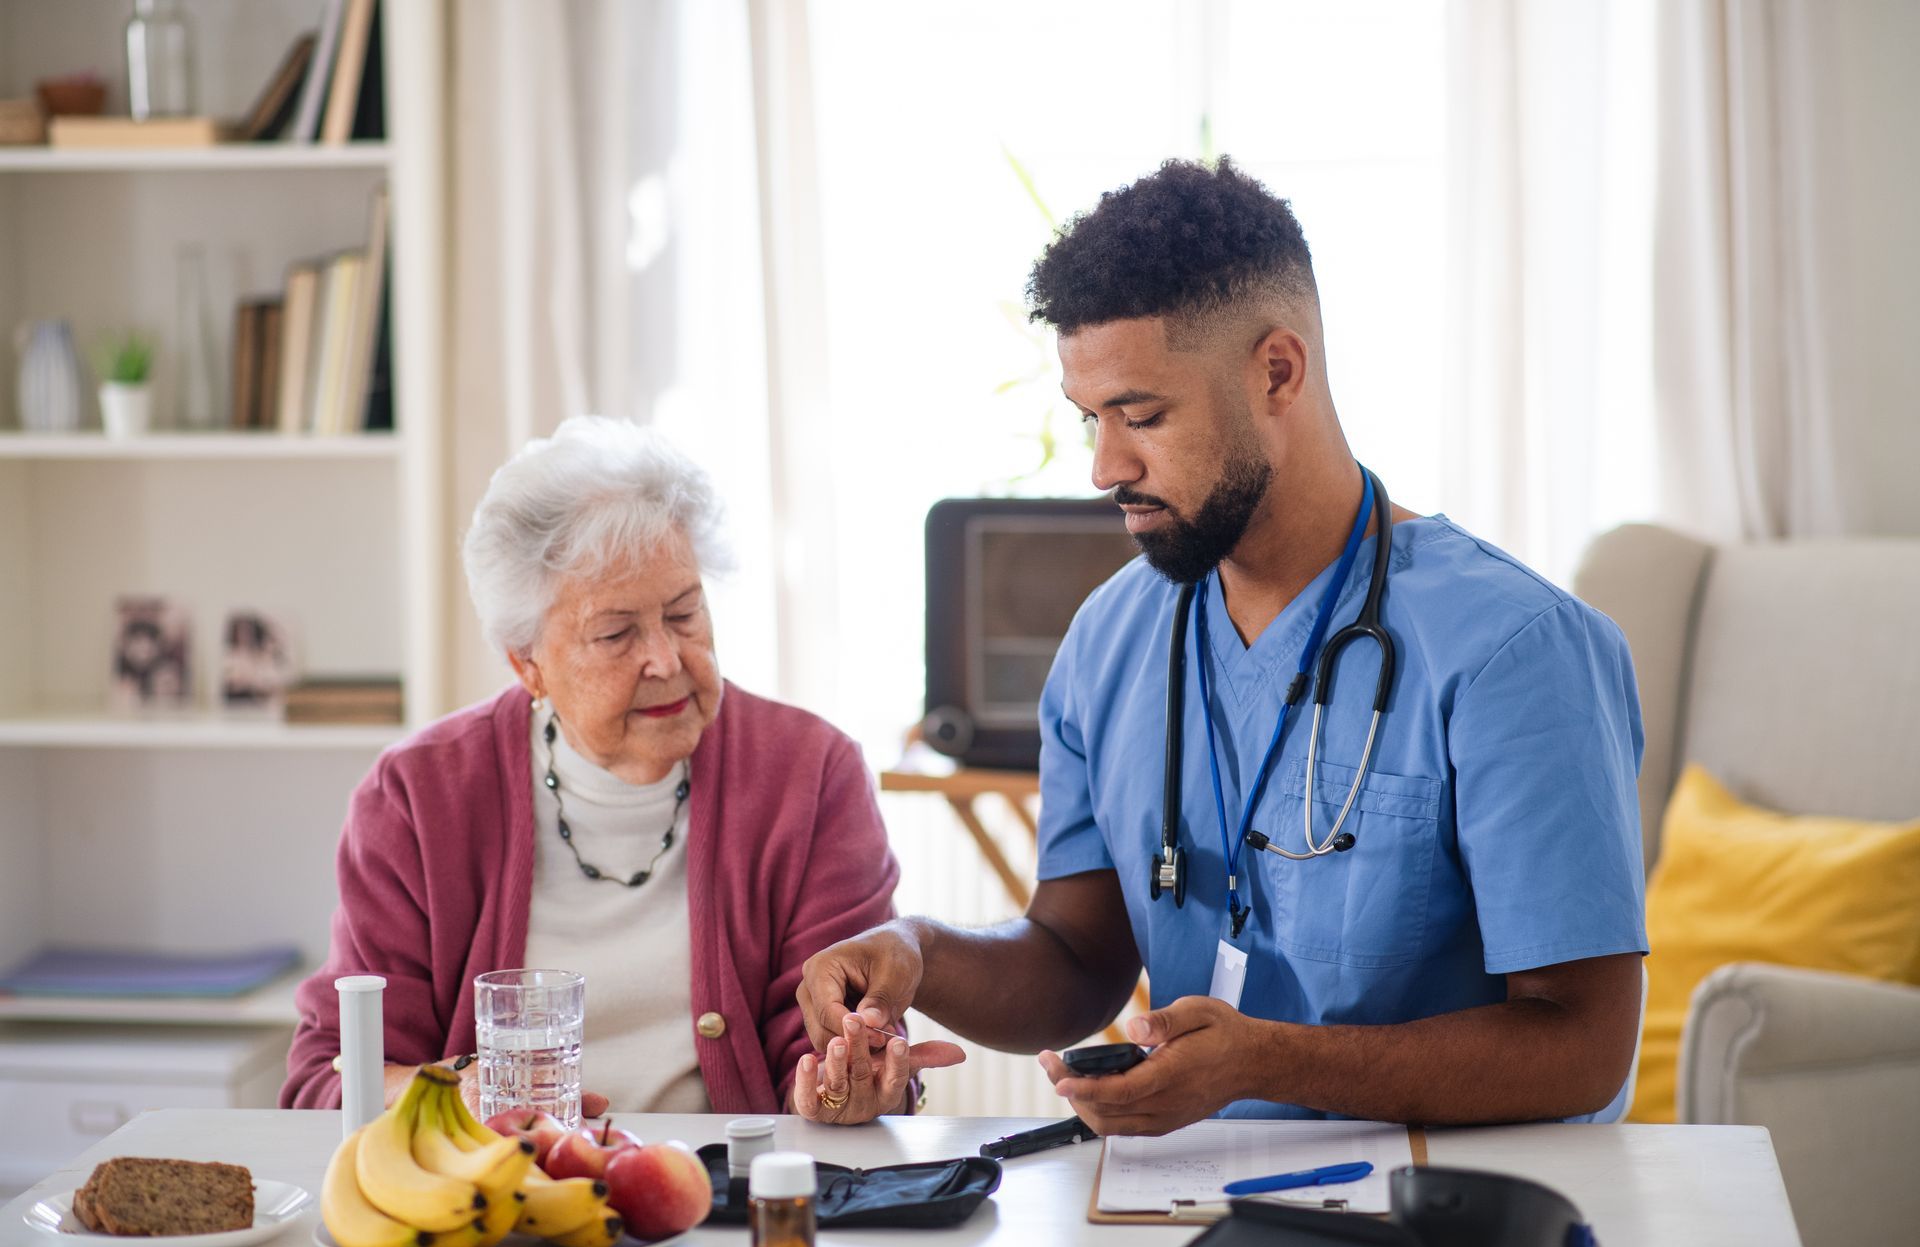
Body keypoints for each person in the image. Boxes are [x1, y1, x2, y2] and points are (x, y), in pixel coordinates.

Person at [800, 159, 1648, 1136]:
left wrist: (1265, 1058)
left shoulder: (1515, 650)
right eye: (1091, 419)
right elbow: (1076, 961)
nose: (1105, 467)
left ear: (1277, 371)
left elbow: (1581, 1044)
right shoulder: (1110, 640)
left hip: (1454, 1213)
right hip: (1192, 1204)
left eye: (1143, 415)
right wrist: (919, 950)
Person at [283, 417, 960, 1123]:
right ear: (527, 662)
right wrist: (457, 1092)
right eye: (615, 634)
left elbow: (831, 1040)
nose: (666, 660)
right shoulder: (418, 798)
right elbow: (325, 1077)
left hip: (729, 1197)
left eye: (685, 613)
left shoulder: (811, 774)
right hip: (496, 1209)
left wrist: (843, 1080)